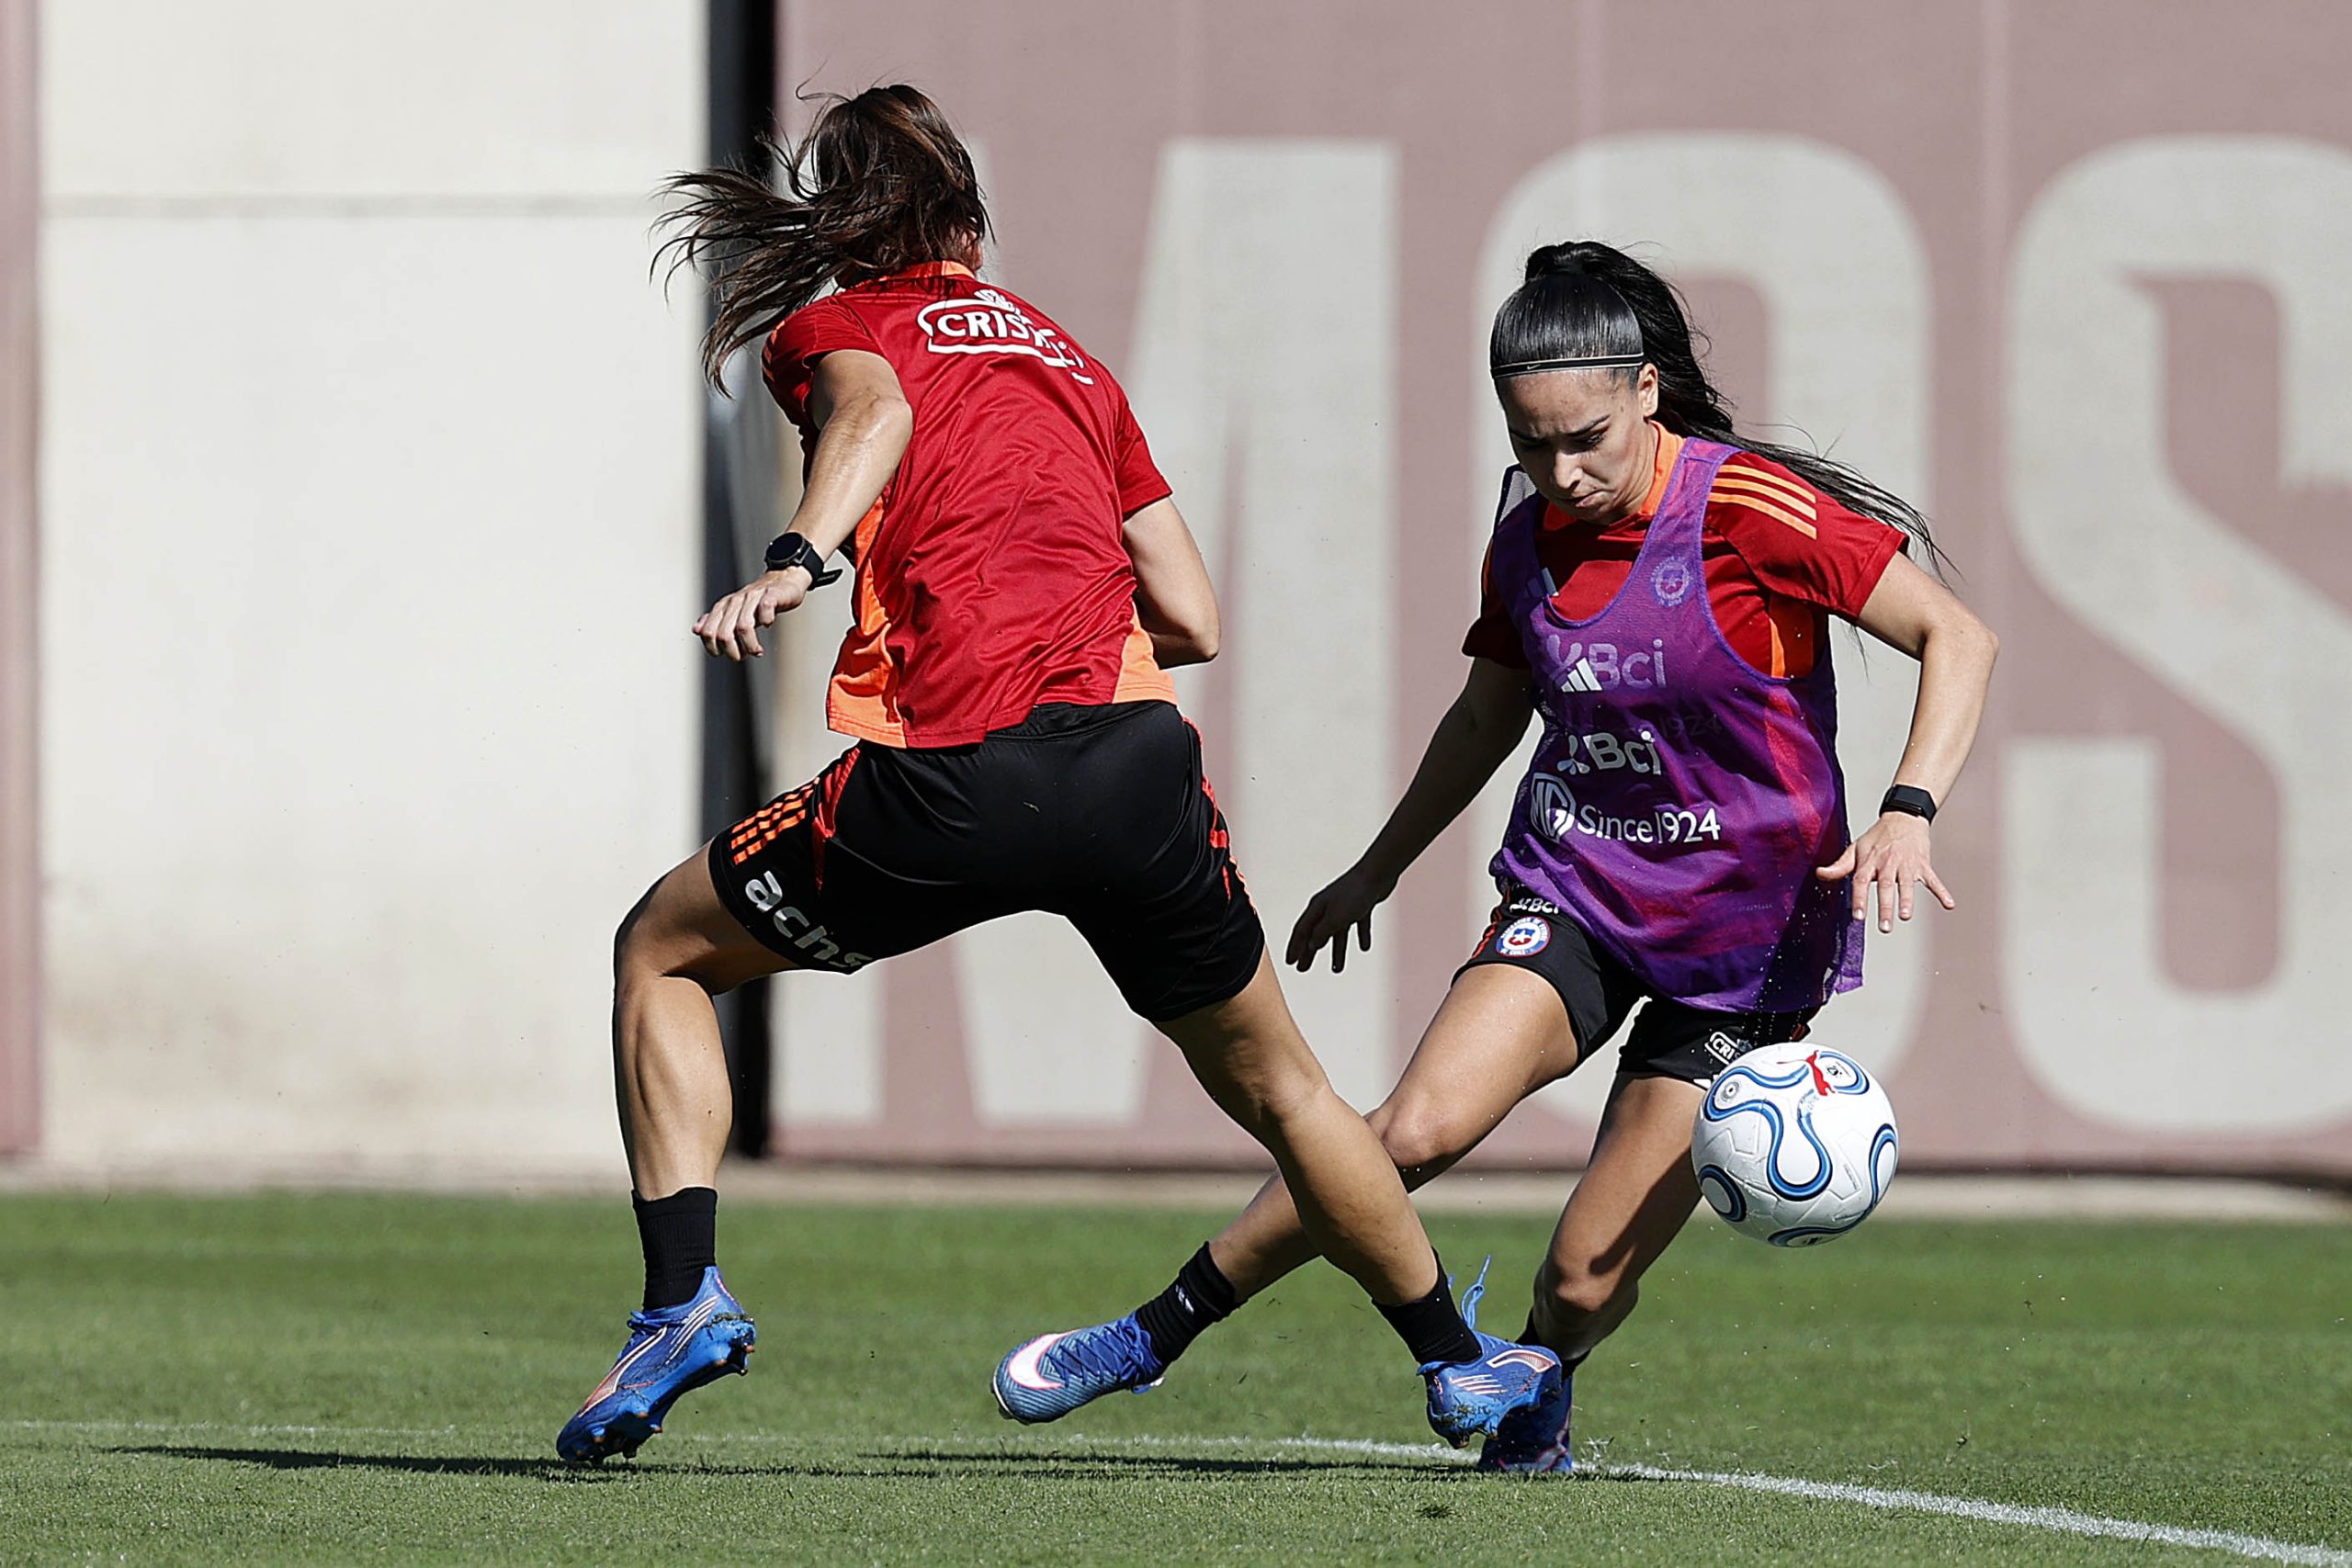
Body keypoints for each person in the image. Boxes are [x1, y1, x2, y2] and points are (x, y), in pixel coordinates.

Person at [553, 85, 1556, 1464]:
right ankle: (1462, 1366)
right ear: (969, 216)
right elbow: (1194, 617)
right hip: (1137, 770)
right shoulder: (1075, 364)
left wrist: (802, 554)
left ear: (848, 225)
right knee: (1291, 1094)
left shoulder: (841, 326)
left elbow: (875, 414)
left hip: (956, 774)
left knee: (661, 950)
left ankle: (678, 1303)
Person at [990, 240, 1998, 1472]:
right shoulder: (1527, 543)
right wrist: (1379, 866)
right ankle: (1151, 1334)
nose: (1558, 474)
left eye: (1585, 439)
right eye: (1530, 446)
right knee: (1410, 1127)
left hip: (1746, 952)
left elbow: (1958, 635)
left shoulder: (1747, 511)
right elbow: (1488, 715)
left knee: (1578, 1282)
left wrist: (1909, 806)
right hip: (1578, 893)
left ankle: (1538, 1384)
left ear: (1644, 391)